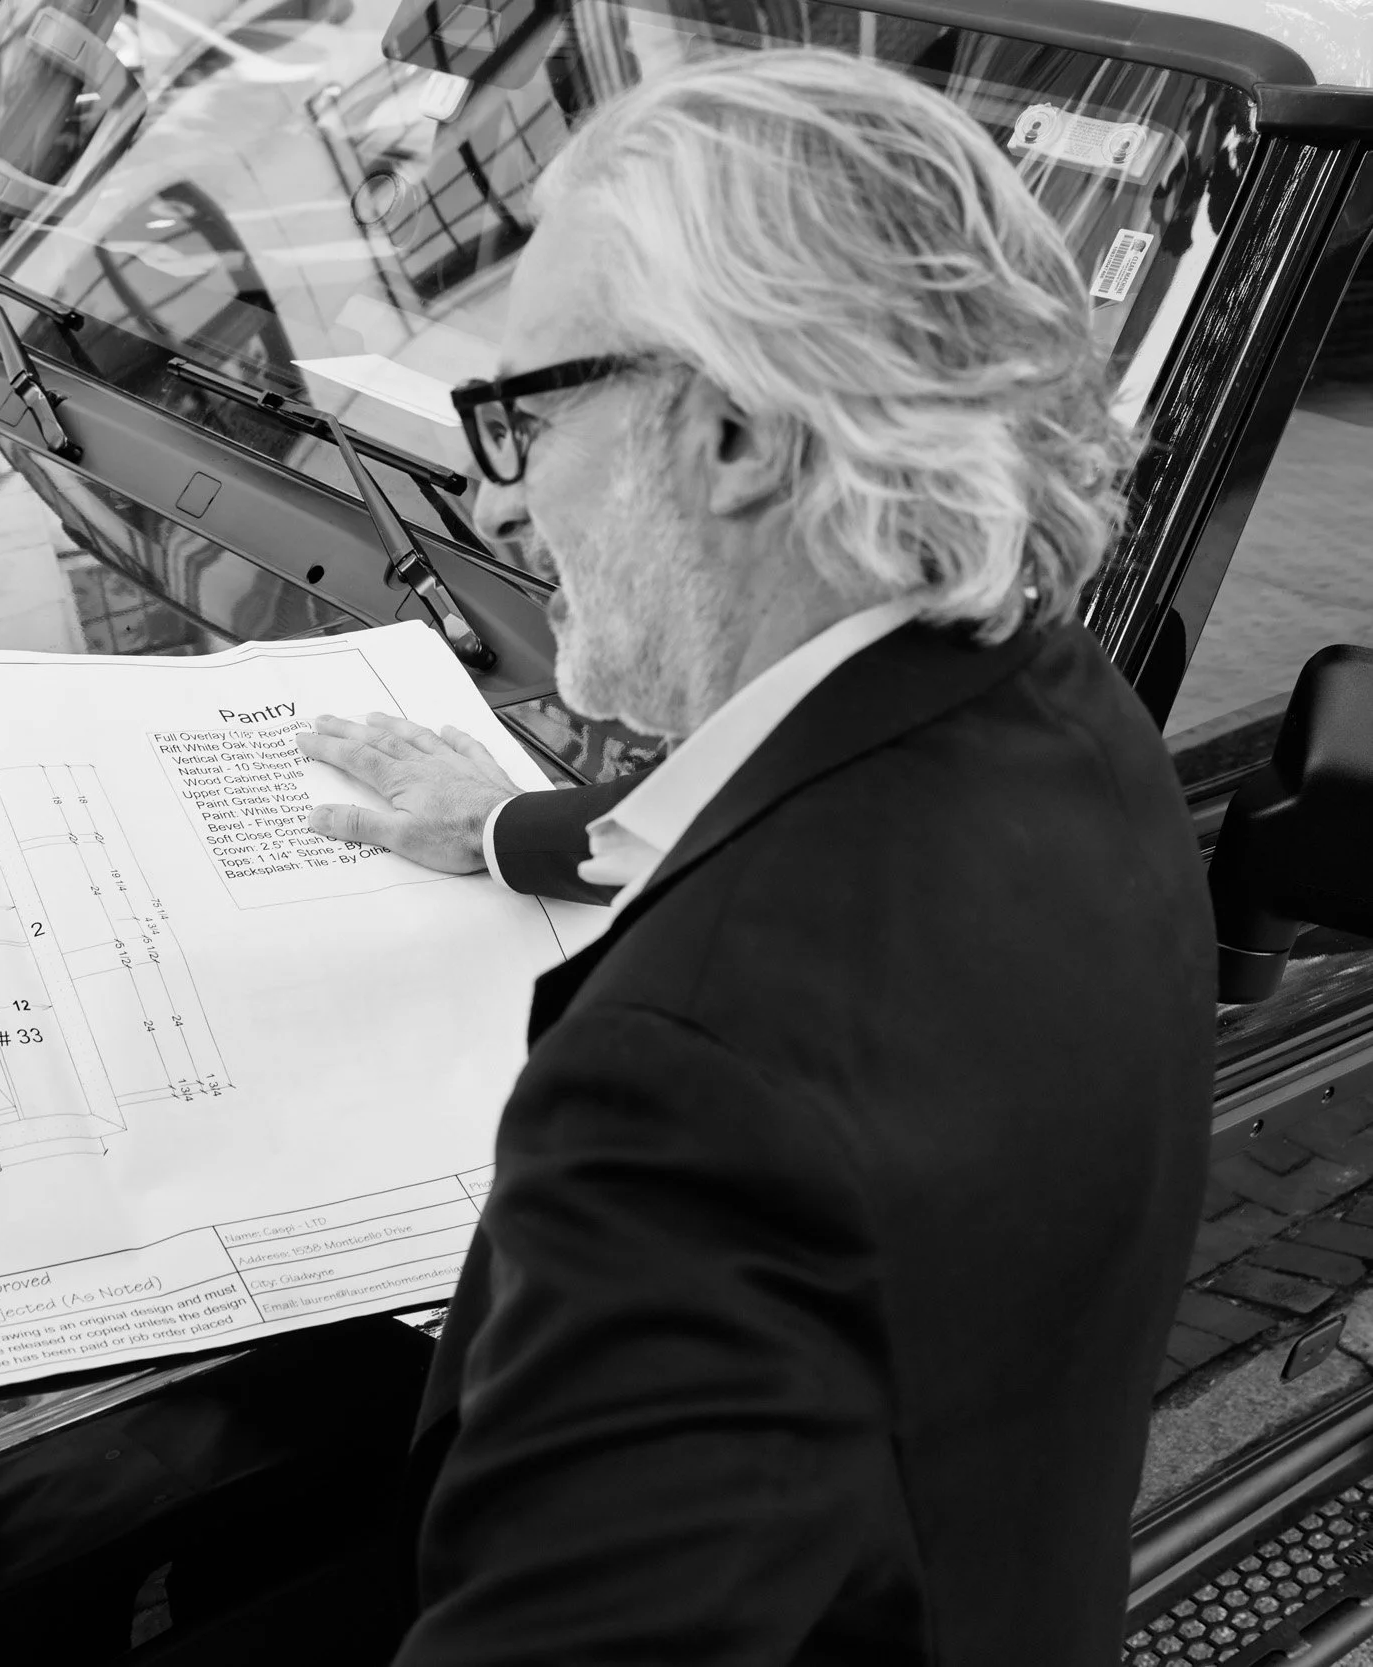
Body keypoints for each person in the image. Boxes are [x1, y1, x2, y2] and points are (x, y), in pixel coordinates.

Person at [299, 50, 1213, 1665]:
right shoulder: (1058, 707)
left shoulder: (685, 1099)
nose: (495, 507)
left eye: (526, 415)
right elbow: (809, 804)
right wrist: (508, 824)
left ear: (732, 432)